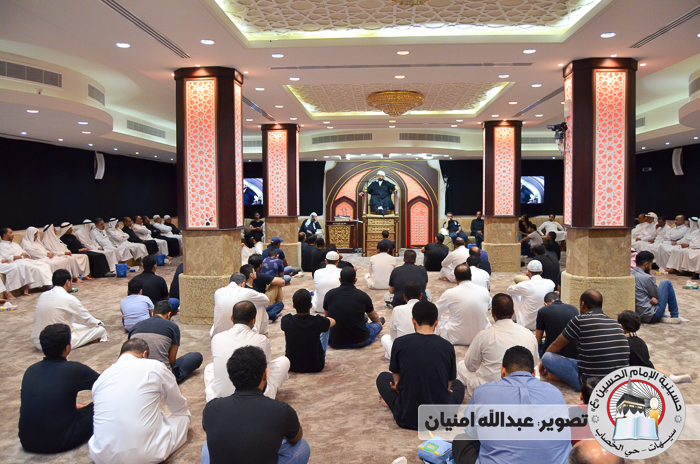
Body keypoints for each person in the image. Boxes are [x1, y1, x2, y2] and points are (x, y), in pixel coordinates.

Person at [454, 346, 571, 464]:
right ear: (534, 373)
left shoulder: (482, 392)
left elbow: (471, 432)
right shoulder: (555, 392)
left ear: (502, 370)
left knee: (461, 440)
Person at [201, 346, 310, 464]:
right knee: (302, 446)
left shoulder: (211, 408)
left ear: (231, 376)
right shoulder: (282, 410)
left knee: (208, 445)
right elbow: (296, 438)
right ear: (264, 375)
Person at [89, 339, 191, 464]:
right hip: (146, 456)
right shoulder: (154, 366)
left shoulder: (101, 378)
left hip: (102, 457)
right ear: (144, 354)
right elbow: (178, 406)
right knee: (183, 416)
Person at [376, 300, 465, 430]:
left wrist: (398, 390)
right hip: (440, 418)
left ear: (413, 321)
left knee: (383, 377)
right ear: (436, 322)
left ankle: (392, 403)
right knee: (459, 385)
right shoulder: (447, 346)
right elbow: (448, 385)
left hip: (407, 417)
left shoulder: (400, 343)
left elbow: (397, 382)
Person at [19, 323, 100, 454]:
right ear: (67, 348)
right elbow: (107, 386)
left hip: (27, 441)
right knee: (104, 406)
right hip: (60, 441)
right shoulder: (74, 369)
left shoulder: (30, 370)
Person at [541, 290, 630, 392]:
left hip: (592, 385)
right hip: (619, 384)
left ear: (583, 304)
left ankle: (564, 379)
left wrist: (543, 362)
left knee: (547, 357)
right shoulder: (615, 324)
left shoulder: (580, 320)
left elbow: (556, 345)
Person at [204, 301, 290, 401]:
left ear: (232, 318)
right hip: (257, 398)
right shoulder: (261, 340)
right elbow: (265, 366)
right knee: (284, 361)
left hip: (220, 398)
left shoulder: (217, 338)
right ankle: (271, 391)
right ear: (253, 321)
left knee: (209, 368)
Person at [458, 293, 539, 396]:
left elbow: (470, 365)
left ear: (492, 313)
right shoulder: (528, 334)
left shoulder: (483, 335)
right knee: (535, 369)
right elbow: (534, 362)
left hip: (490, 387)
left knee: (461, 366)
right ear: (513, 312)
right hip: (523, 384)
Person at [30, 269, 107, 350]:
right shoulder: (69, 299)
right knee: (100, 330)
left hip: (39, 341)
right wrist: (99, 323)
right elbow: (86, 319)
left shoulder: (43, 295)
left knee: (75, 325)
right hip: (58, 343)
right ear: (67, 282)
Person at [129, 300, 203, 383]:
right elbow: (171, 360)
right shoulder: (173, 327)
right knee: (196, 356)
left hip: (135, 374)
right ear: (168, 315)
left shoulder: (136, 326)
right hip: (161, 377)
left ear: (152, 313)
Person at [617, 311, 691, 383]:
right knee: (648, 363)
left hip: (633, 375)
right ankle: (670, 377)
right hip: (647, 371)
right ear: (639, 327)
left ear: (620, 326)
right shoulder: (641, 342)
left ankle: (670, 377)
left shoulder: (622, 343)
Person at [324, 267, 384, 348]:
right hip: (359, 341)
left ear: (340, 280)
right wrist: (379, 324)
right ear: (355, 280)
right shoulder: (363, 296)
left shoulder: (329, 294)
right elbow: (374, 317)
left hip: (335, 342)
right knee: (377, 324)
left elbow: (328, 318)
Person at [435, 264, 491, 346]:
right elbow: (488, 307)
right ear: (471, 276)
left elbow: (435, 312)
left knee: (438, 320)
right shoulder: (484, 291)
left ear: (456, 278)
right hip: (481, 336)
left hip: (456, 337)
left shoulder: (449, 293)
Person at [282, 289, 335, 373]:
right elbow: (333, 322)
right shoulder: (317, 320)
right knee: (326, 327)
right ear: (311, 305)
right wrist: (326, 320)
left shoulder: (286, 320)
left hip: (292, 366)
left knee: (289, 330)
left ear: (293, 306)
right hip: (315, 366)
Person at [211, 272, 271, 338]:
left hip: (218, 334)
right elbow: (266, 300)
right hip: (240, 333)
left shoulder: (218, 292)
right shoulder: (247, 292)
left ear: (228, 283)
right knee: (260, 305)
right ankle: (263, 333)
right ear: (243, 284)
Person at [632, 251, 682, 323]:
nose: (651, 268)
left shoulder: (631, 274)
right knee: (666, 283)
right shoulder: (647, 277)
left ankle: (664, 316)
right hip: (651, 315)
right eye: (650, 265)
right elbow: (656, 295)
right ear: (646, 264)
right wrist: (652, 278)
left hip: (637, 315)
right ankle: (675, 316)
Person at [507, 260, 555, 330]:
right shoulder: (550, 283)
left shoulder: (524, 285)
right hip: (543, 325)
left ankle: (514, 319)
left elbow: (509, 290)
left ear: (528, 271)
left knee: (515, 294)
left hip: (526, 324)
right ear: (541, 271)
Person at [380, 281, 421, 359]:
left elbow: (393, 337)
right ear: (421, 296)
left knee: (385, 338)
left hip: (403, 353)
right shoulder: (429, 309)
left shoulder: (397, 310)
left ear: (404, 296)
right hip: (424, 351)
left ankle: (390, 356)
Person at [535, 292, 578, 359]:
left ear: (545, 304)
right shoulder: (574, 309)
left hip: (553, 354)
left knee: (537, 347)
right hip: (573, 354)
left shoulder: (543, 311)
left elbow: (538, 340)